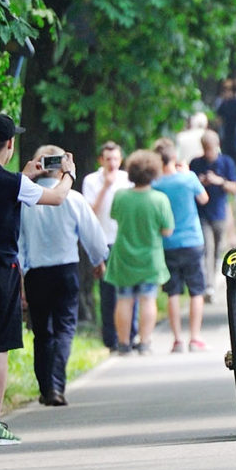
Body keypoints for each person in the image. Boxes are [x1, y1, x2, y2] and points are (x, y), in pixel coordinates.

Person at [0, 113, 76, 447]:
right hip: (1, 274)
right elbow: (56, 198)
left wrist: (23, 175)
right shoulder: (15, 184)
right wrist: (66, 174)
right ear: (10, 144)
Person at [18, 145, 108, 406]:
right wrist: (98, 260)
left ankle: (46, 387)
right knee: (65, 329)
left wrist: (22, 278)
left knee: (42, 333)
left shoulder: (26, 200)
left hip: (35, 273)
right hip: (65, 270)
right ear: (63, 165)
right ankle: (57, 385)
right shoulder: (74, 198)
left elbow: (19, 242)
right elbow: (92, 234)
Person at [105, 150, 174, 355]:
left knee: (124, 300)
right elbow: (167, 230)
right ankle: (144, 343)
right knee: (147, 299)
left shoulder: (121, 196)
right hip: (150, 258)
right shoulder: (159, 199)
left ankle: (124, 344)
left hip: (124, 256)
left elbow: (114, 216)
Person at [152, 139, 210, 353]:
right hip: (193, 241)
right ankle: (195, 338)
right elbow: (204, 198)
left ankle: (177, 340)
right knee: (196, 291)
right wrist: (186, 172)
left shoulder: (156, 184)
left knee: (173, 292)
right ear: (174, 157)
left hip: (167, 243)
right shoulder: (188, 178)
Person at [82, 141, 138, 351]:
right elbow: (90, 212)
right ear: (101, 160)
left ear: (121, 159)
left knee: (129, 290)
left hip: (125, 242)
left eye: (116, 159)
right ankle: (111, 339)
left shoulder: (128, 180)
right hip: (103, 241)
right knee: (108, 292)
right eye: (108, 159)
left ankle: (131, 336)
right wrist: (105, 186)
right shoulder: (91, 181)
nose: (112, 163)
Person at [190, 130, 236, 303]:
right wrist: (201, 183)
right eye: (206, 149)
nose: (208, 152)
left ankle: (214, 274)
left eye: (210, 149)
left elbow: (235, 188)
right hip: (202, 214)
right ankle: (209, 286)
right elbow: (191, 187)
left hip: (220, 213)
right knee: (207, 248)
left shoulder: (226, 162)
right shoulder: (195, 163)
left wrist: (220, 181)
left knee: (218, 248)